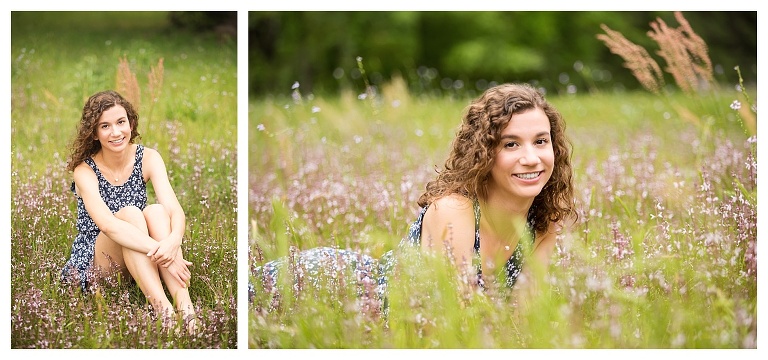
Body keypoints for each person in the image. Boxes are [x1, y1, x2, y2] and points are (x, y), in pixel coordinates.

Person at [251, 83, 576, 307]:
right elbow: (454, 323)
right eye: (511, 143)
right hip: (328, 284)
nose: (531, 157)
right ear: (485, 153)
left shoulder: (544, 224)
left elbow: (525, 320)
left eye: (540, 141)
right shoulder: (454, 212)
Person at [61, 90, 197, 333]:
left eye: (121, 122)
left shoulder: (148, 158)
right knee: (131, 215)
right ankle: (164, 312)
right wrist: (163, 252)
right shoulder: (84, 171)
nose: (116, 132)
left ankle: (187, 312)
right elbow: (108, 225)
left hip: (139, 253)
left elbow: (175, 211)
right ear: (94, 133)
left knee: (156, 211)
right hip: (99, 262)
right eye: (105, 126)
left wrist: (173, 244)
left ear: (131, 123)